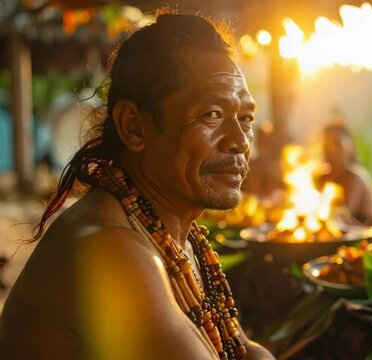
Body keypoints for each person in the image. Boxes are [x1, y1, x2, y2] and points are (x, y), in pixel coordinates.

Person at [0, 14, 274, 359]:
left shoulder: (173, 235)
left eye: (246, 118)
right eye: (212, 114)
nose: (239, 141)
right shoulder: (107, 247)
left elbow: (243, 349)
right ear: (135, 128)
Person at [317, 123, 372, 224]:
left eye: (337, 145)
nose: (333, 151)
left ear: (350, 146)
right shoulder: (321, 177)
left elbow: (341, 218)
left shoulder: (355, 177)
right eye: (328, 146)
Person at [241, 121, 285, 200]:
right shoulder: (252, 160)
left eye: (267, 139)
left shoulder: (278, 165)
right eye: (262, 138)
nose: (264, 141)